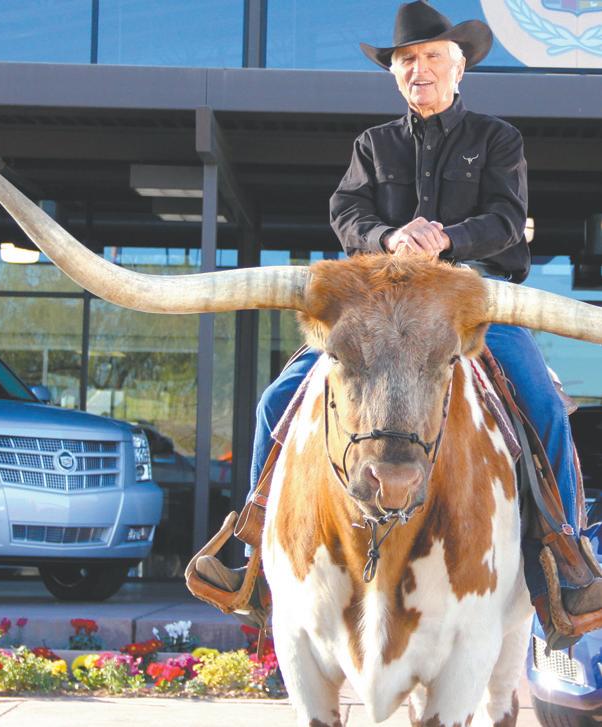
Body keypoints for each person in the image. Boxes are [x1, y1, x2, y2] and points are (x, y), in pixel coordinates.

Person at [195, 0, 602, 626]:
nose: (420, 69)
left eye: (432, 57)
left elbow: (506, 219)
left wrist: (446, 239)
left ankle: (568, 559)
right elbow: (345, 212)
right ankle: (253, 551)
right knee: (276, 401)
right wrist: (388, 238)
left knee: (543, 406)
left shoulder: (498, 138)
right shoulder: (373, 144)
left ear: (459, 67)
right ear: (394, 73)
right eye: (407, 60)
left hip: (469, 298)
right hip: (379, 303)